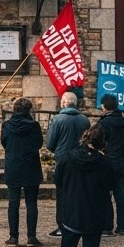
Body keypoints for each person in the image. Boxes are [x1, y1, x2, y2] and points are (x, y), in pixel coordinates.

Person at [53, 121, 116, 247]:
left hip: (72, 212)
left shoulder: (67, 158)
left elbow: (58, 181)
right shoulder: (104, 164)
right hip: (94, 215)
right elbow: (110, 186)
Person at [1, 96, 44, 247]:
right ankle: (31, 237)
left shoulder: (7, 125)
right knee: (31, 202)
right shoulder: (34, 126)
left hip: (13, 166)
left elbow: (4, 142)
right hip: (31, 166)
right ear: (29, 109)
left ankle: (13, 237)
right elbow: (39, 143)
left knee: (13, 203)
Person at [45, 90, 89, 237]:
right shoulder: (84, 119)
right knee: (79, 192)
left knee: (62, 194)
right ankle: (79, 223)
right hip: (80, 160)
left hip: (63, 160)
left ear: (63, 103)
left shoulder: (57, 119)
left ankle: (62, 225)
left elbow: (50, 143)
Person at [97, 94, 124, 236]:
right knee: (119, 194)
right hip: (119, 160)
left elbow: (100, 141)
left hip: (107, 160)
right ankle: (122, 226)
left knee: (105, 194)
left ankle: (107, 226)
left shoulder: (104, 123)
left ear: (104, 107)